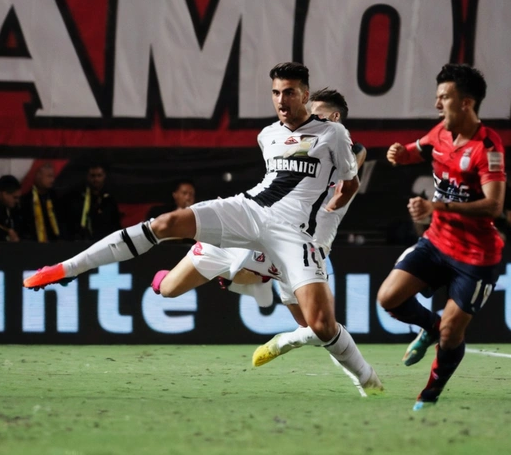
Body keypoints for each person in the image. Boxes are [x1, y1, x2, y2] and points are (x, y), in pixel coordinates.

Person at [23, 62, 382, 390]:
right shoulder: (268, 135)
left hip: (295, 237)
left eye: (289, 92)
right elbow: (283, 174)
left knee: (318, 326)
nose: (282, 100)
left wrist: (338, 191)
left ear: (305, 95)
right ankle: (67, 268)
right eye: (276, 92)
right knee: (166, 233)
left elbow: (353, 170)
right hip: (248, 212)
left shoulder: (336, 136)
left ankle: (367, 382)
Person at [150, 89, 371, 383]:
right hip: (262, 234)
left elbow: (358, 152)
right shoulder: (303, 148)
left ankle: (284, 333)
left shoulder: (343, 149)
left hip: (301, 250)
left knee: (315, 327)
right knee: (168, 290)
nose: (308, 121)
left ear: (334, 118)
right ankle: (244, 280)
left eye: (315, 114)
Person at [376, 64, 505, 411]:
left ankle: (430, 394)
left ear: (466, 102)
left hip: (476, 257)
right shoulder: (440, 133)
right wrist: (398, 153)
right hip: (437, 243)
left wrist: (438, 206)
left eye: (444, 98)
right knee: (388, 298)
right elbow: (414, 150)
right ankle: (429, 326)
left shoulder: (488, 147)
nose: (437, 105)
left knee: (452, 335)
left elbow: (494, 206)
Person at [62, 164, 122, 241]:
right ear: (87, 177)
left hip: (104, 242)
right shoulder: (77, 198)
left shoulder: (109, 199)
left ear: (104, 176)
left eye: (99, 175)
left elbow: (115, 224)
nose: (96, 179)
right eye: (93, 176)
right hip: (81, 242)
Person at [20, 163, 61, 242]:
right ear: (38, 176)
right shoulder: (27, 200)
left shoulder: (56, 198)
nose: (52, 180)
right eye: (49, 176)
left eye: (53, 176)